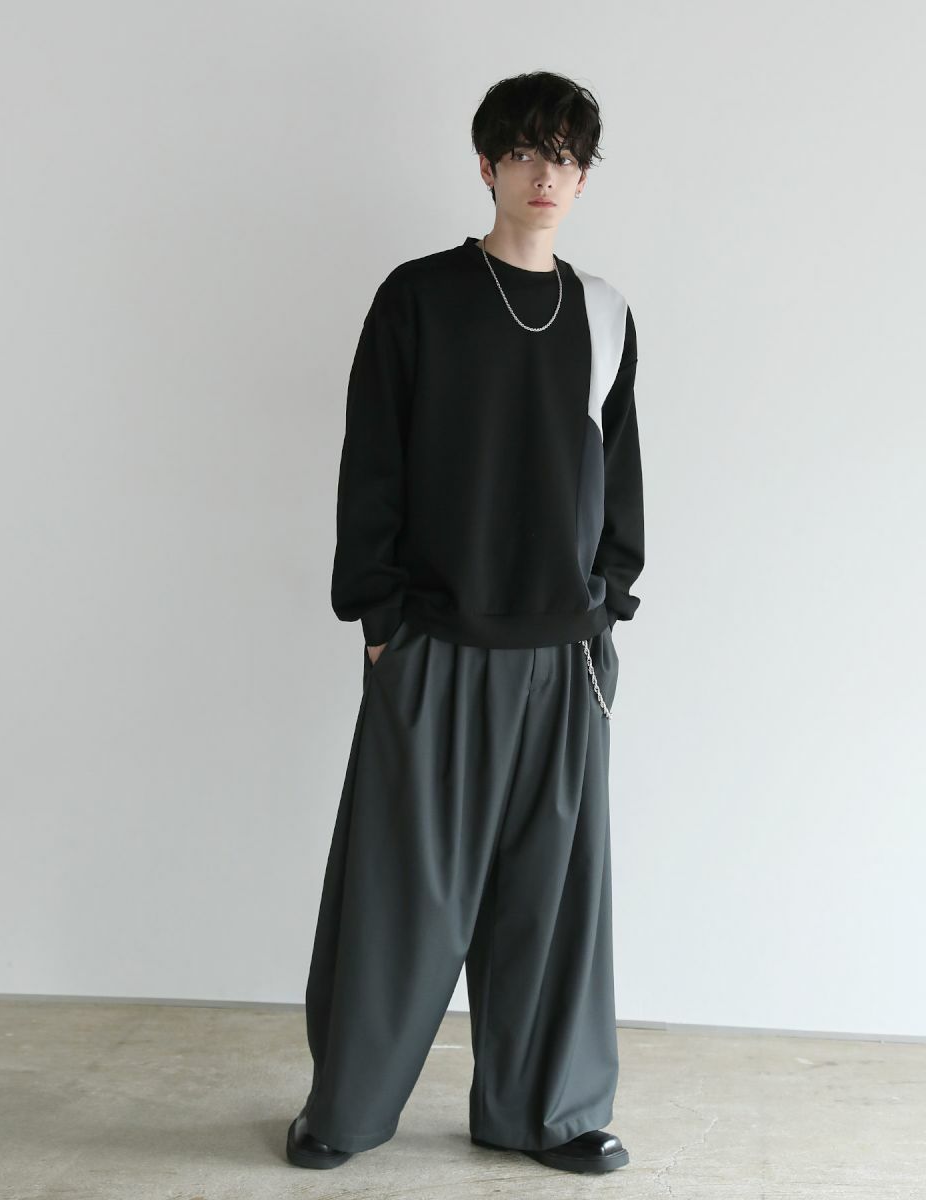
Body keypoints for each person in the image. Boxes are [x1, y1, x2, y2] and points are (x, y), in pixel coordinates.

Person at [286, 69, 644, 1176]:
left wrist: (608, 606)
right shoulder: (419, 299)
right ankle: (345, 1109)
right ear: (487, 165)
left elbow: (620, 476)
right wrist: (381, 617)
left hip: (562, 654)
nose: (547, 175)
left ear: (584, 177)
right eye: (526, 152)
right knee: (401, 896)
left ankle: (548, 1114)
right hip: (436, 643)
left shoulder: (604, 313)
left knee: (553, 904)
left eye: (567, 158)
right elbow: (373, 462)